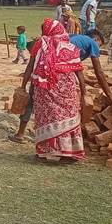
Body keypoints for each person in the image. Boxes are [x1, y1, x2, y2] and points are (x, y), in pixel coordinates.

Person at [26, 19, 85, 164]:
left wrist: (23, 86)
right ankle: (69, 154)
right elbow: (79, 71)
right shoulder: (70, 47)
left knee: (47, 118)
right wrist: (84, 92)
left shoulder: (41, 44)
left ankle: (44, 154)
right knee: (68, 118)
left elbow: (30, 65)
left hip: (45, 88)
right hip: (67, 90)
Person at [8, 37, 39, 143]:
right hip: (53, 83)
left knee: (29, 105)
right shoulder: (56, 46)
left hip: (39, 82)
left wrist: (23, 85)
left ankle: (20, 134)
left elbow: (30, 66)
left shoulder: (39, 48)